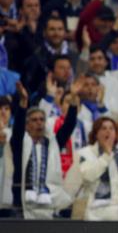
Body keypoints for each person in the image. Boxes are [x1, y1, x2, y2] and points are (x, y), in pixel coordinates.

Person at [10, 82, 75, 219]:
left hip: (50, 205)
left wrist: (74, 98)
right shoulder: (20, 145)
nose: (39, 123)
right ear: (27, 125)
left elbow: (69, 125)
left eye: (41, 119)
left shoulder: (53, 144)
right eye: (34, 120)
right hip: (23, 206)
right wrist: (23, 102)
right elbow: (17, 130)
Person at [78, 117, 118, 221]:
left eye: (111, 128)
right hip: (94, 214)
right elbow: (88, 177)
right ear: (96, 134)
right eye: (103, 128)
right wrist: (106, 155)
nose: (108, 131)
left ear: (116, 134)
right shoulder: (85, 153)